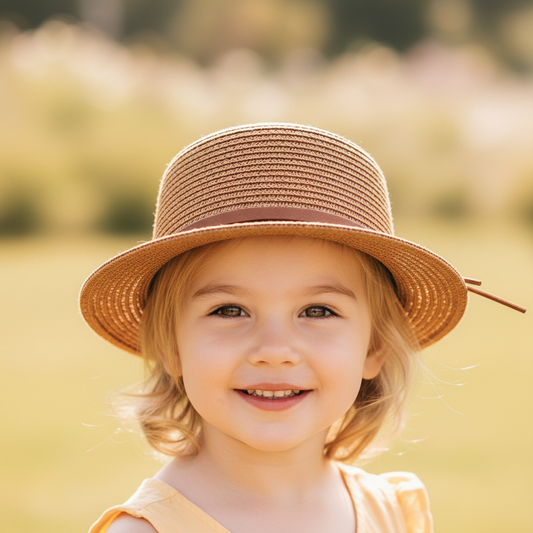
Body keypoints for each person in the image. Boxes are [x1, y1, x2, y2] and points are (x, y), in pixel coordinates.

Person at [80, 123, 525, 533]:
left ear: (375, 346)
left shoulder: (390, 513)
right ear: (169, 345)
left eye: (317, 311)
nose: (275, 350)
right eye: (230, 311)